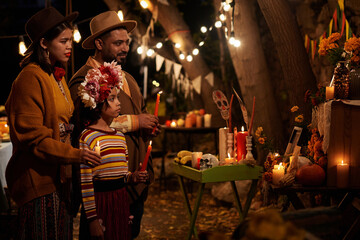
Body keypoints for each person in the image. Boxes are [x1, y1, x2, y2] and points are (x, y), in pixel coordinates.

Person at [5, 7, 101, 239]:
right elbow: (33, 138)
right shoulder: (30, 77)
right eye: (63, 40)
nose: (70, 46)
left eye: (70, 40)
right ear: (44, 43)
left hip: (60, 180)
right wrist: (75, 154)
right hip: (39, 183)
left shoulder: (55, 75)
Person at [68, 11, 160, 238]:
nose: (125, 48)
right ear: (99, 43)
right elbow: (84, 125)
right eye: (118, 43)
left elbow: (143, 115)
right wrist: (136, 122)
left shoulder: (128, 79)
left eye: (126, 42)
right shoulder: (84, 81)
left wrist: (151, 125)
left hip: (134, 183)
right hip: (104, 189)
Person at [74, 61, 149, 240]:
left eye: (118, 97)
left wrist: (133, 177)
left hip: (120, 203)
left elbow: (121, 174)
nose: (118, 103)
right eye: (112, 98)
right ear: (98, 102)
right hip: (101, 204)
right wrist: (92, 219)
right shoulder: (88, 137)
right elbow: (85, 183)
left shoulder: (119, 136)